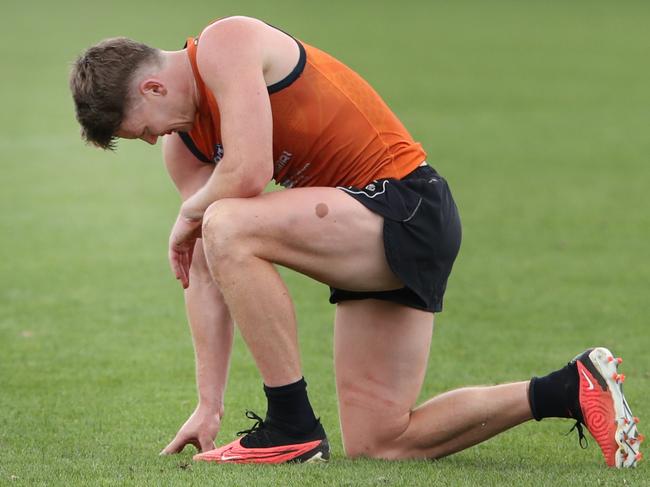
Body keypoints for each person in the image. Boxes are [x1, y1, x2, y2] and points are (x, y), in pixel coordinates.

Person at [69, 16, 642, 467]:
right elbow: (203, 268)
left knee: (223, 222)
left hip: (406, 206)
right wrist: (207, 402)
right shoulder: (185, 147)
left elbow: (245, 174)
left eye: (144, 128)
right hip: (360, 234)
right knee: (382, 440)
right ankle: (567, 388)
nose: (153, 141)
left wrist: (187, 217)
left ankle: (290, 428)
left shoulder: (225, 41)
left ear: (151, 85)